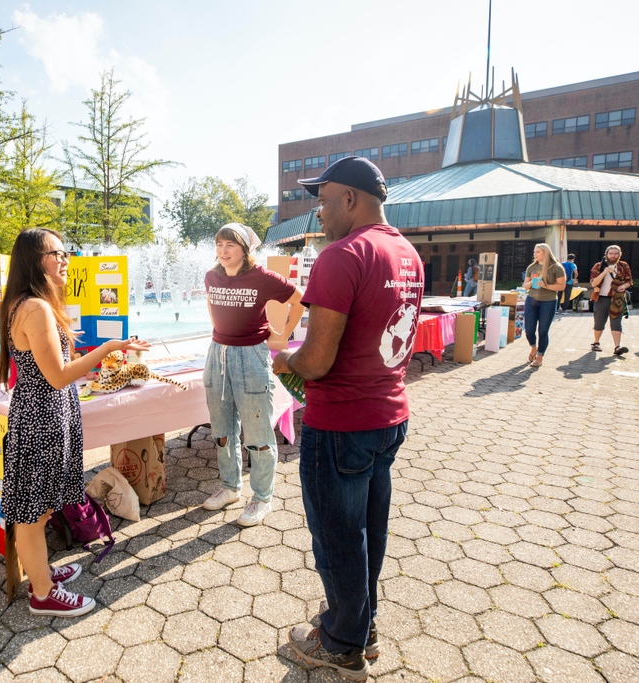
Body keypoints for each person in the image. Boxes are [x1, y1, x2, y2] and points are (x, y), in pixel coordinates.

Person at [271, 157, 423, 680]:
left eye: (324, 199)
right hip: (389, 415)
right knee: (368, 531)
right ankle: (365, 624)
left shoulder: (343, 255)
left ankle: (340, 642)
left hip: (340, 423)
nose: (318, 211)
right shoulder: (407, 253)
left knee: (338, 536)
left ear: (351, 199)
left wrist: (285, 359)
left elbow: (316, 361)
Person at [0, 228, 150, 617]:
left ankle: (40, 573)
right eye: (57, 253)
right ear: (35, 259)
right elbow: (59, 376)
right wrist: (108, 348)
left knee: (41, 506)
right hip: (43, 417)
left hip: (45, 412)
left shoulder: (25, 303)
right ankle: (43, 595)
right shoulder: (35, 307)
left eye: (67, 253)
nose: (65, 260)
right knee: (34, 513)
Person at [201, 223, 304, 527]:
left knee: (257, 432)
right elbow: (212, 304)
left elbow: (299, 299)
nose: (223, 251)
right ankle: (231, 487)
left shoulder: (262, 277)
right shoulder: (211, 276)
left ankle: (262, 498)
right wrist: (221, 330)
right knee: (221, 428)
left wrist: (283, 332)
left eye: (230, 245)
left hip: (251, 356)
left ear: (245, 250)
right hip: (217, 353)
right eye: (219, 245)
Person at [522, 244, 567, 368]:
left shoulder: (556, 268)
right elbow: (525, 286)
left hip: (548, 301)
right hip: (531, 300)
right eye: (534, 252)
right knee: (529, 330)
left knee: (543, 330)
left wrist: (544, 285)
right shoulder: (532, 267)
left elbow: (561, 286)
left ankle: (540, 356)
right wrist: (532, 282)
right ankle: (533, 347)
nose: (535, 254)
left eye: (538, 252)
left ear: (546, 253)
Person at [589, 245, 633, 355]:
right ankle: (596, 343)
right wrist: (604, 272)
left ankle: (617, 347)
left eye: (616, 253)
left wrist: (624, 286)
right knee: (599, 321)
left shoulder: (623, 266)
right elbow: (593, 282)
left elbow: (629, 281)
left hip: (617, 298)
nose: (613, 256)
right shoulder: (598, 266)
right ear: (606, 254)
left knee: (616, 322)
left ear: (619, 255)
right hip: (601, 297)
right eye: (611, 253)